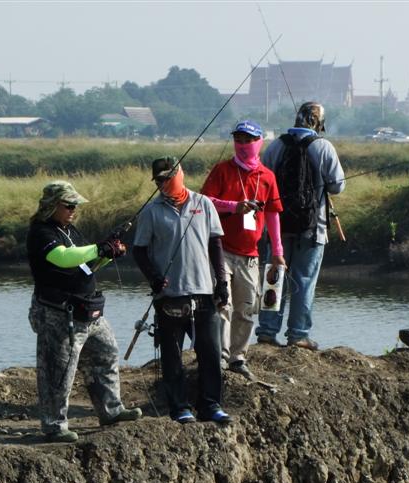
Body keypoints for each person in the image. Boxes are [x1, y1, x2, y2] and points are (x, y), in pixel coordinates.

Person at [26, 180, 142, 441]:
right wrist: (98, 248)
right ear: (52, 205)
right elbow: (63, 257)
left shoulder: (70, 230)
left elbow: (84, 265)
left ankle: (110, 410)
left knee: (107, 352)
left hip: (88, 311)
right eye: (68, 205)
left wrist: (106, 255)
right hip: (59, 313)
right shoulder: (41, 232)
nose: (73, 209)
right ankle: (54, 426)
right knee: (60, 370)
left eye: (75, 205)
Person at [133, 156, 232, 424]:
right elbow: (139, 251)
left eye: (169, 177)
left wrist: (221, 282)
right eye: (159, 180)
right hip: (169, 296)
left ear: (181, 174)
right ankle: (179, 408)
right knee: (172, 356)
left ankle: (211, 405)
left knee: (210, 353)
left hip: (204, 292)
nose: (165, 183)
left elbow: (215, 245)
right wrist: (153, 277)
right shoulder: (151, 212)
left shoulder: (204, 204)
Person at [256, 101, 345, 350]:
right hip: (312, 227)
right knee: (304, 280)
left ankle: (266, 331)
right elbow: (338, 186)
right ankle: (298, 335)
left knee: (274, 279)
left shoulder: (276, 146)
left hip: (276, 227)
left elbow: (263, 181)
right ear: (319, 122)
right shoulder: (323, 147)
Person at [200, 120, 285, 379]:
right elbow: (206, 202)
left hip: (251, 254)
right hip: (221, 250)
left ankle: (238, 356)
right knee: (222, 304)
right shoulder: (222, 170)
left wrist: (278, 251)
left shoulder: (267, 177)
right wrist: (234, 206)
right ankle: (222, 356)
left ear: (258, 142)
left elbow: (273, 214)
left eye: (248, 140)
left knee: (247, 308)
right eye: (239, 139)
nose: (243, 145)